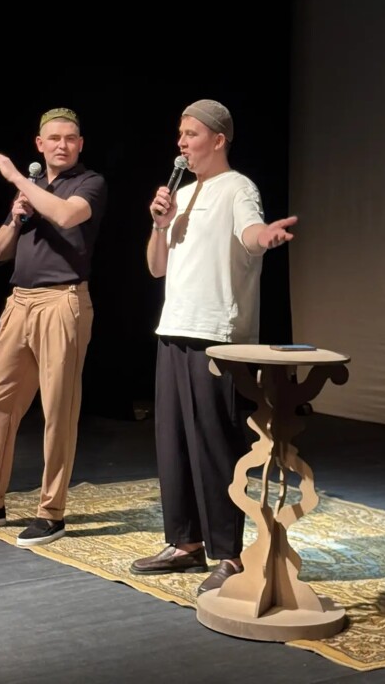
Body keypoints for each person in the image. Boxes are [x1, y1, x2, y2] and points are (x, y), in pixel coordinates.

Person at [129, 99, 297, 594]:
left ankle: (229, 554)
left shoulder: (238, 187)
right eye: (180, 134)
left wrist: (265, 236)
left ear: (218, 139)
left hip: (216, 336)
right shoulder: (181, 193)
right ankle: (184, 542)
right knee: (173, 443)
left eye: (192, 134)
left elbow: (250, 233)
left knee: (213, 445)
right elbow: (156, 267)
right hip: (174, 328)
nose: (181, 142)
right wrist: (160, 223)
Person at [0, 107, 107, 546]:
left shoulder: (89, 183)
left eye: (70, 138)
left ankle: (52, 512)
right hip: (19, 303)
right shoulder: (31, 190)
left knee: (58, 411)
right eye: (54, 138)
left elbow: (67, 217)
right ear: (40, 144)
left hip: (61, 301)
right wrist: (16, 216)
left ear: (80, 144)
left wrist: (18, 177)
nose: (62, 145)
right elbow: (0, 251)